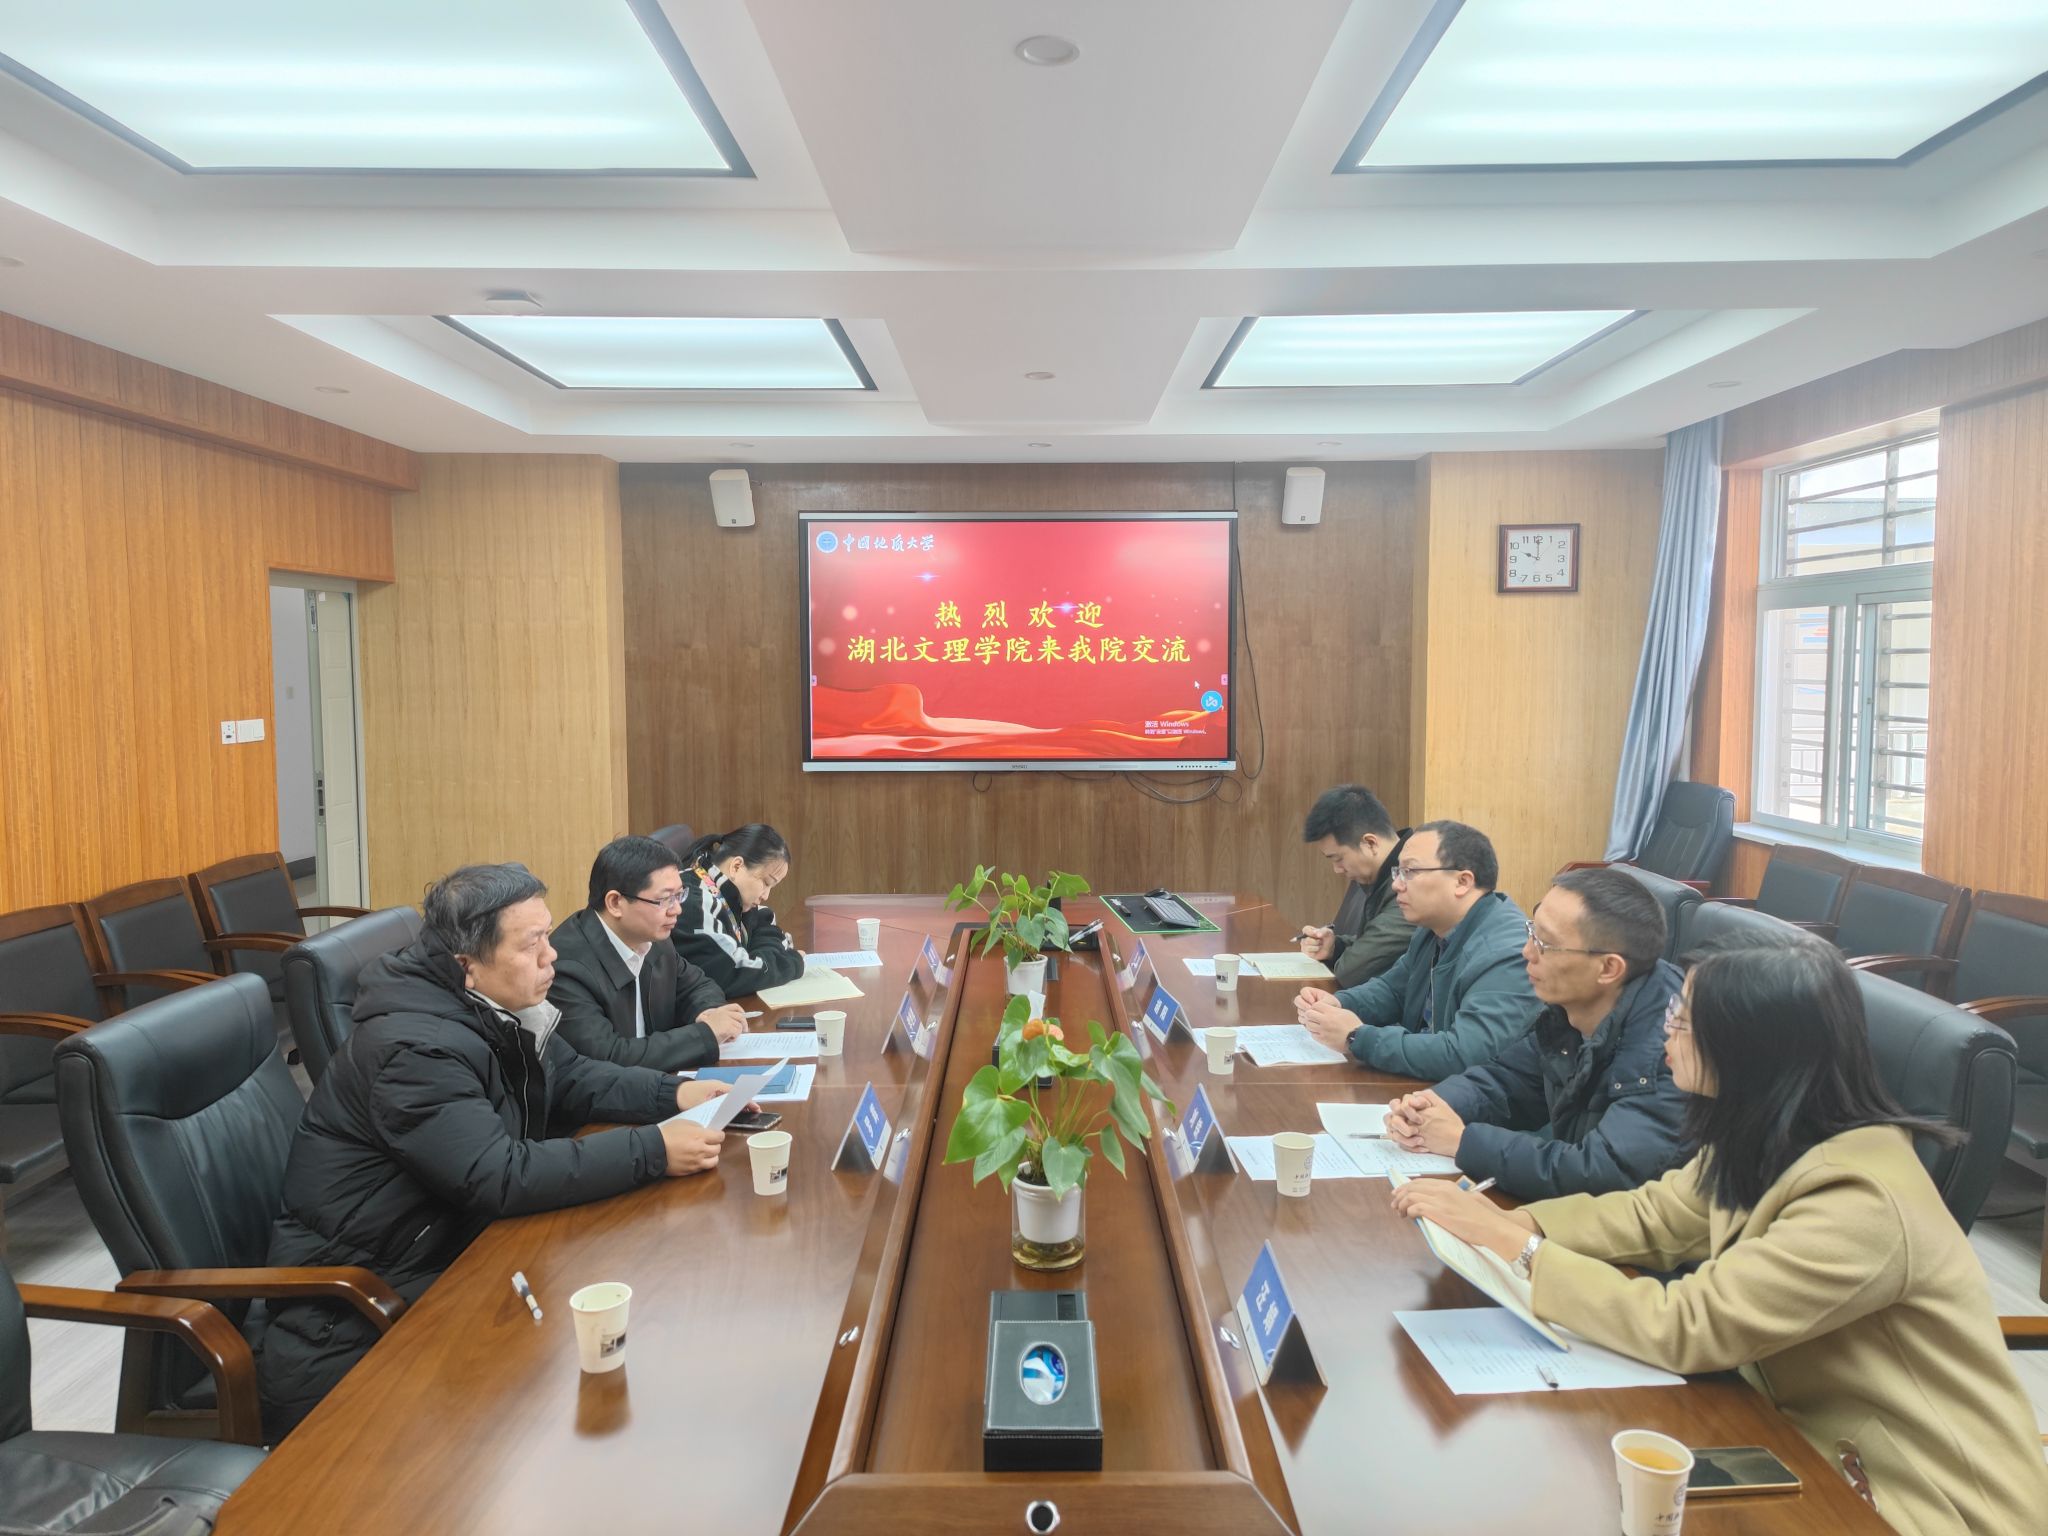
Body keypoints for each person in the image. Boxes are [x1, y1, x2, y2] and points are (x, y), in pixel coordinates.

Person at [1392, 936, 2048, 1536]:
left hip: (1913, 1495)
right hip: (1786, 1436)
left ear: (1749, 1050)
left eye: (1682, 1021)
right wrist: (1517, 1222)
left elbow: (1692, 1325)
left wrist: (1521, 1251)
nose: (1665, 1033)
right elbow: (1657, 1214)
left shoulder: (1860, 1197)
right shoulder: (1769, 1134)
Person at [254, 863, 729, 1439]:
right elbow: (498, 1175)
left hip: (456, 1258)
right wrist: (653, 1149)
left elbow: (572, 1076)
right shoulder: (414, 1050)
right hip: (352, 1321)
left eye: (548, 935)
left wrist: (672, 1093)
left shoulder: (488, 1004)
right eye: (531, 945)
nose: (552, 956)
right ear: (467, 965)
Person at [1384, 867, 1688, 1198]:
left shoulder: (1670, 1045)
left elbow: (1604, 1171)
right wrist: (1433, 1105)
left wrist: (1462, 1142)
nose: (1527, 952)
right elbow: (1508, 1080)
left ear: (1609, 968)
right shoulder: (1572, 1009)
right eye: (1532, 931)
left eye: (1545, 943)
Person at [1295, 820, 1535, 1078]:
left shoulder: (1506, 952)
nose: (1397, 885)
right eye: (1397, 872)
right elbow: (1393, 990)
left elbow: (1464, 1053)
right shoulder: (1433, 929)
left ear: (1462, 882)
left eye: (1409, 871)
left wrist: (1357, 1037)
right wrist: (1338, 1003)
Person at [550, 835, 750, 1071]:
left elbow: (697, 985)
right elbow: (608, 1058)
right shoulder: (566, 968)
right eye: (665, 899)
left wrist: (708, 1012)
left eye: (679, 895)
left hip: (659, 1083)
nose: (677, 910)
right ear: (615, 903)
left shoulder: (652, 938)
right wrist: (705, 1034)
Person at [1294, 784, 1415, 988]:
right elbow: (1373, 943)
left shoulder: (1411, 883)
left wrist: (1342, 956)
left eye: (1338, 858)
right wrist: (1335, 947)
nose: (1337, 869)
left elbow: (1351, 972)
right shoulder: (1379, 874)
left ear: (1370, 843)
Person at [672, 825, 805, 999]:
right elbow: (734, 972)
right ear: (736, 866)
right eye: (766, 883)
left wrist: (766, 956)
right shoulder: (693, 902)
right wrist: (791, 962)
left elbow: (764, 922)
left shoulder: (728, 895)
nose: (766, 895)